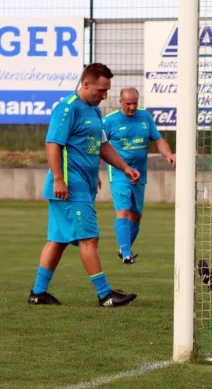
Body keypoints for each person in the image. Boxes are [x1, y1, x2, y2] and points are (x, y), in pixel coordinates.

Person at [27, 63, 140, 308]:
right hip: (69, 187)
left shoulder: (94, 112)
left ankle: (38, 293)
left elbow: (101, 146)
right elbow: (52, 144)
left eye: (107, 90)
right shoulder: (67, 108)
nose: (105, 95)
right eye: (101, 90)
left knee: (57, 240)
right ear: (86, 84)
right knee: (90, 238)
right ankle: (105, 295)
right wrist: (59, 178)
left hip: (82, 185)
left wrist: (124, 167)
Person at [102, 87, 175, 264]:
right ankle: (127, 253)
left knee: (136, 216)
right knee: (123, 211)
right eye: (128, 103)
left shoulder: (145, 117)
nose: (132, 107)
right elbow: (99, 146)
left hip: (140, 172)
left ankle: (123, 248)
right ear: (121, 102)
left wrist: (168, 154)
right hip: (119, 172)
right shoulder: (109, 121)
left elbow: (158, 139)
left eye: (135, 103)